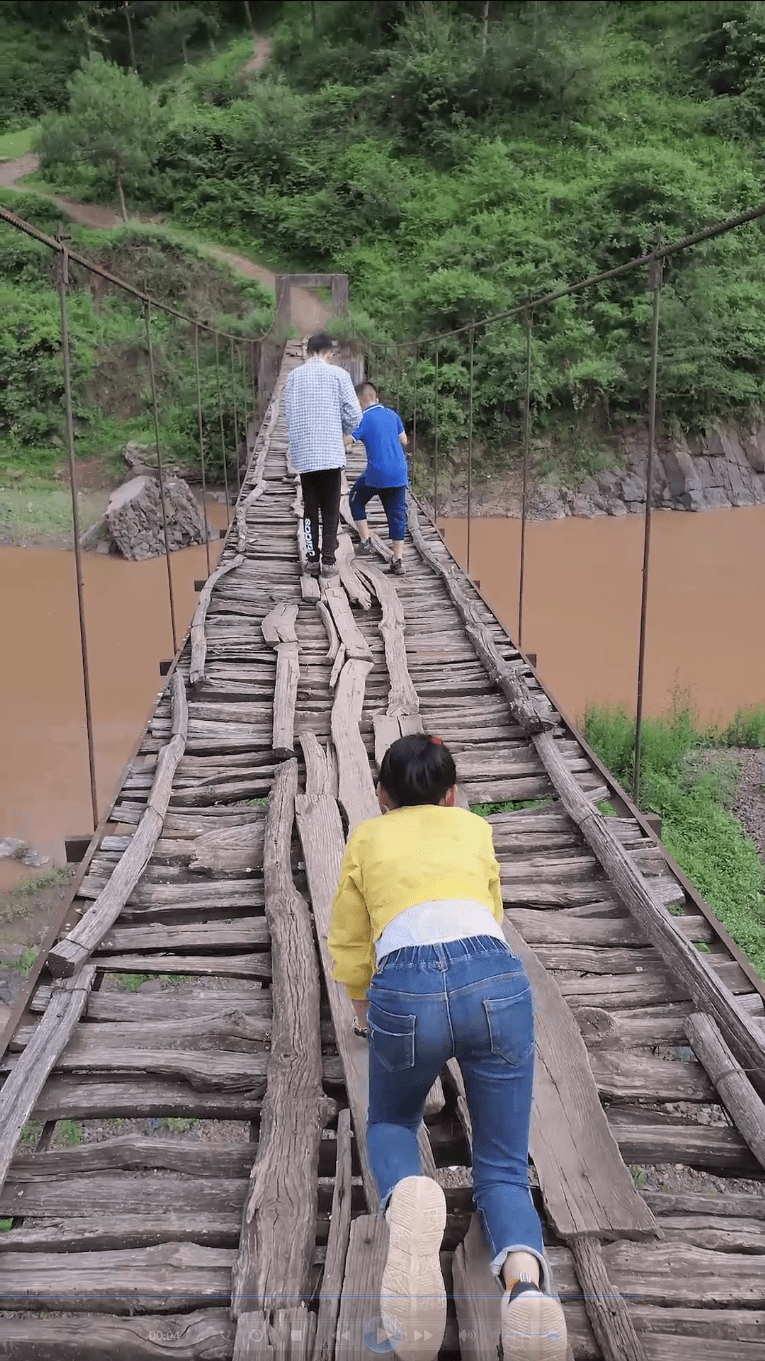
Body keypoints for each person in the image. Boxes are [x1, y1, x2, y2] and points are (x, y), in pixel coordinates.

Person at [327, 734, 567, 1361]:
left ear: (381, 797)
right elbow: (491, 905)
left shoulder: (367, 839)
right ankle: (526, 1287)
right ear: (452, 795)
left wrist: (362, 1011)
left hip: (404, 988)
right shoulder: (474, 829)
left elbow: (350, 940)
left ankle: (409, 1192)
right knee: (505, 1166)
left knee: (391, 1119)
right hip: (496, 981)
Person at [284, 333, 362, 579]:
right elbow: (355, 416)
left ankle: (311, 559)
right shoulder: (340, 375)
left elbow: (288, 414)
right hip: (330, 453)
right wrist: (342, 430)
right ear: (330, 353)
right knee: (330, 509)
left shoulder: (294, 376)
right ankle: (329, 562)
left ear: (307, 352)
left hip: (306, 456)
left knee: (310, 509)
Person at [348, 381, 409, 576]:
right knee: (397, 513)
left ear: (359, 402)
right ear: (376, 398)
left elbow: (348, 441)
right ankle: (398, 559)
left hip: (377, 474)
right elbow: (404, 440)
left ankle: (365, 540)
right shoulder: (393, 414)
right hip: (399, 473)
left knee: (355, 499)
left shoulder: (363, 419)